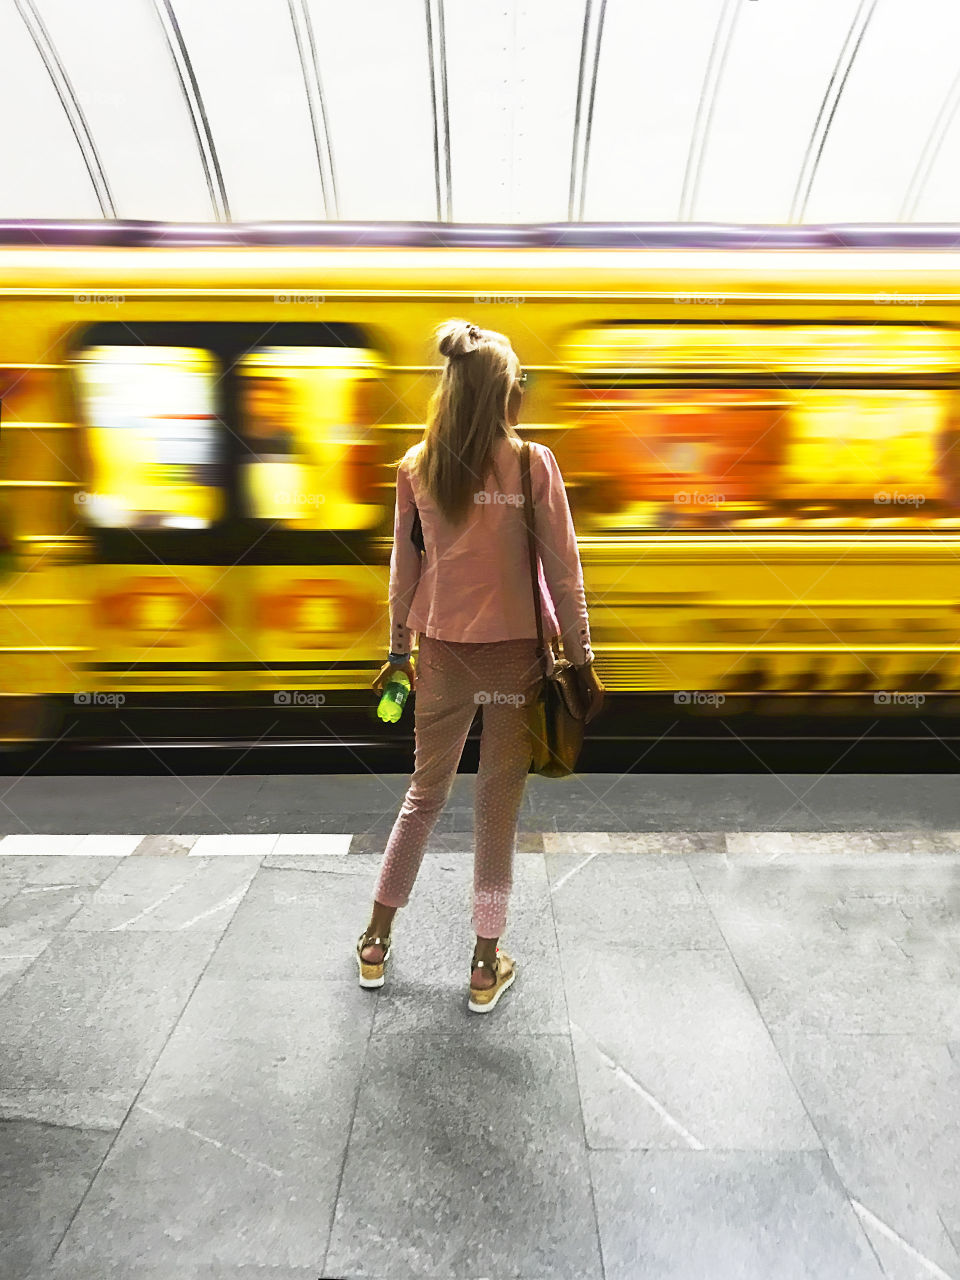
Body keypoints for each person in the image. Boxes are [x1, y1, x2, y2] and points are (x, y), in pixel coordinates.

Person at [358, 318, 604, 1012]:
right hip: (513, 665)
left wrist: (396, 653)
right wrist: (582, 657)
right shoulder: (534, 464)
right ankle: (482, 964)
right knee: (496, 810)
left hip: (437, 654)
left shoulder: (415, 465)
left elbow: (404, 570)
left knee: (422, 796)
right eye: (520, 383)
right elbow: (563, 571)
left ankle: (375, 941)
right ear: (505, 394)